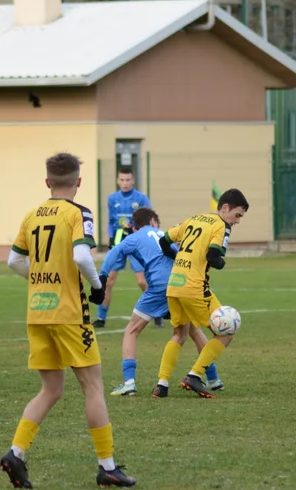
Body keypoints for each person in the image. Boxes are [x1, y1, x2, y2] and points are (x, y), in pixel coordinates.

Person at [0, 152, 136, 489]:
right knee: (93, 387)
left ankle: (16, 452)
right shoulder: (79, 213)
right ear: (79, 182)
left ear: (47, 182)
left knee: (50, 389)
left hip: (38, 311)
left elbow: (13, 261)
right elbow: (81, 255)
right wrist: (97, 284)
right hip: (69, 313)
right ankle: (107, 467)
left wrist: (42, 276)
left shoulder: (32, 215)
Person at [100, 207, 222, 397]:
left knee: (132, 330)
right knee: (192, 330)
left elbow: (115, 252)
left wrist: (103, 275)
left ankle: (129, 383)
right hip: (179, 284)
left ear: (135, 227)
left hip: (158, 287)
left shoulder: (134, 237)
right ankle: (214, 379)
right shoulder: (164, 234)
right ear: (154, 222)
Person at [152, 189, 249, 399]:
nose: (238, 221)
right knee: (226, 333)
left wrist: (177, 257)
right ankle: (194, 375)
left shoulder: (194, 219)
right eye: (238, 215)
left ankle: (162, 384)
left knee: (179, 335)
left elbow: (163, 241)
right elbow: (213, 256)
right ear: (225, 208)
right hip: (194, 288)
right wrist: (221, 263)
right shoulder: (221, 226)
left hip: (174, 284)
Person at [95, 167, 152, 328]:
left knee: (142, 282)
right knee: (108, 282)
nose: (125, 183)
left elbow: (150, 220)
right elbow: (111, 221)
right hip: (119, 244)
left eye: (128, 180)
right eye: (122, 180)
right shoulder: (112, 199)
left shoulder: (141, 198)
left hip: (136, 245)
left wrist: (139, 232)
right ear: (117, 180)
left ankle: (157, 311)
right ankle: (101, 317)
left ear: (133, 180)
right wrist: (112, 237)